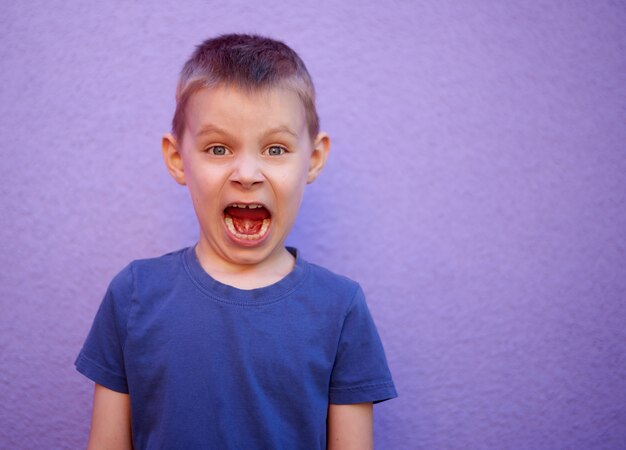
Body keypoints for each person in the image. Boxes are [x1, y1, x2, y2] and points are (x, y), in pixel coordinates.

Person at [75, 33, 397, 449]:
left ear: (313, 160)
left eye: (276, 149)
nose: (247, 173)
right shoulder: (134, 295)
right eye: (219, 148)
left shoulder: (340, 308)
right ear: (178, 159)